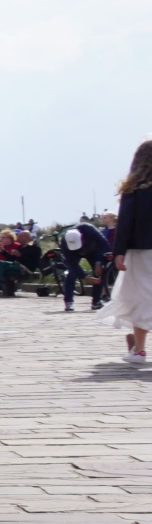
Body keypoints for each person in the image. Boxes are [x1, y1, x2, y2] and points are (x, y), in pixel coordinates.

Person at [108, 142, 152, 363]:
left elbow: (125, 222)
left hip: (142, 249)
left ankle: (139, 350)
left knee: (140, 296)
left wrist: (119, 251)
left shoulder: (134, 188)